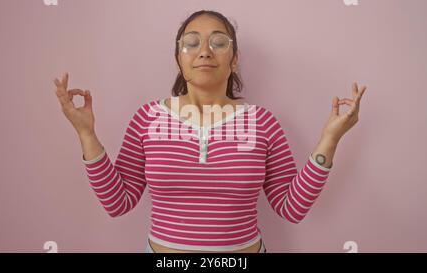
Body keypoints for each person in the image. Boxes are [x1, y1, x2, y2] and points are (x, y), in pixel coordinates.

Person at [53, 10, 367, 253]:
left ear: (234, 60)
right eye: (191, 43)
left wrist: (330, 139)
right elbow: (118, 202)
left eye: (219, 42)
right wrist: (86, 134)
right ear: (179, 59)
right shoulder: (147, 118)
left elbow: (291, 208)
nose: (205, 51)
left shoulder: (263, 122)